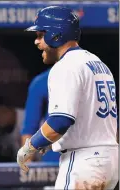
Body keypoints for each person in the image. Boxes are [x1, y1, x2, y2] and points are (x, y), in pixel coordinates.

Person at [17, 6, 118, 190]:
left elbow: (60, 120)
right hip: (109, 159)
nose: (36, 42)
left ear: (55, 36)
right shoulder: (98, 63)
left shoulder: (65, 66)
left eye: (40, 35)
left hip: (83, 161)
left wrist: (29, 147)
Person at [21, 68, 60, 162]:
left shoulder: (93, 77)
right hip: (54, 162)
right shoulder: (42, 81)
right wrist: (26, 167)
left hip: (89, 159)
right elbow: (29, 130)